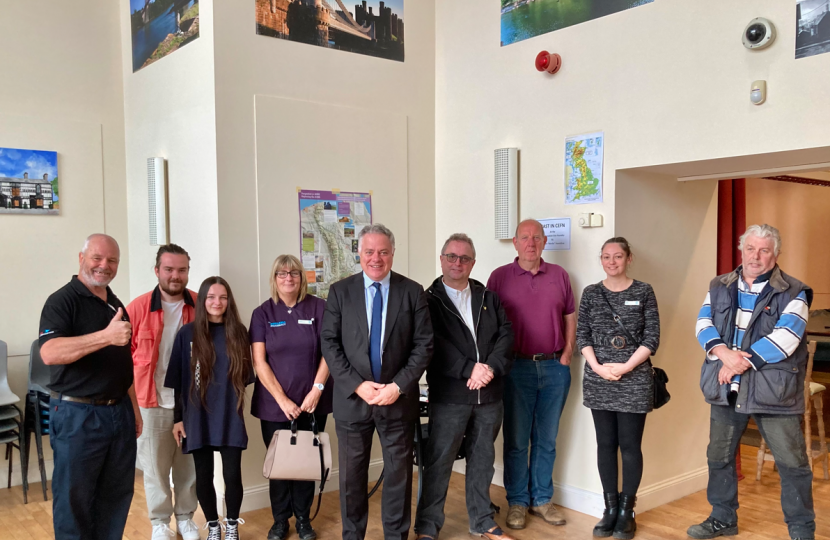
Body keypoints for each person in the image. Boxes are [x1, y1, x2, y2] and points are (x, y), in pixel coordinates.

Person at [688, 224, 814, 540]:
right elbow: (703, 323)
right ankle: (722, 519)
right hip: (725, 389)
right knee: (718, 457)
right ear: (741, 249)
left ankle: (801, 530)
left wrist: (736, 363)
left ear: (776, 254)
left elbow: (786, 337)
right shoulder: (719, 285)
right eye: (750, 249)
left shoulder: (794, 290)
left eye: (764, 250)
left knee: (792, 464)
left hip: (773, 392)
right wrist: (723, 354)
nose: (755, 256)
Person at [321, 223, 433, 540]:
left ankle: (396, 536)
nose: (376, 258)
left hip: (397, 400)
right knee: (352, 479)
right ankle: (352, 535)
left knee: (398, 476)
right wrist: (358, 384)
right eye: (369, 251)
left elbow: (424, 345)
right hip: (353, 400)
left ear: (393, 253)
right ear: (359, 253)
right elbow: (329, 344)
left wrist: (398, 386)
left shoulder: (412, 291)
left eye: (383, 251)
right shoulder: (340, 292)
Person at [38, 233, 142, 540]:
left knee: (116, 496)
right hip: (77, 415)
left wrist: (133, 409)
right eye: (97, 258)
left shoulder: (115, 303)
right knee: (75, 501)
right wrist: (105, 337)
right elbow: (50, 352)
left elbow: (124, 363)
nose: (104, 266)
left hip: (118, 414)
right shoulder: (62, 301)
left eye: (112, 260)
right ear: (81, 258)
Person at [414, 234, 515, 540]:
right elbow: (432, 344)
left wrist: (490, 369)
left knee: (483, 461)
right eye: (452, 257)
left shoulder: (488, 297)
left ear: (473, 262)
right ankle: (428, 527)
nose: (458, 263)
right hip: (450, 397)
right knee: (439, 461)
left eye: (465, 258)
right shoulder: (427, 300)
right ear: (442, 259)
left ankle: (482, 521)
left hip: (489, 395)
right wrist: (468, 368)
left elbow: (506, 336)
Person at [486, 219, 576, 530]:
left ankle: (542, 500)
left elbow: (569, 316)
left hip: (554, 367)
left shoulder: (560, 276)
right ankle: (518, 503)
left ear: (544, 241)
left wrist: (566, 354)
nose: (531, 243)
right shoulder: (499, 278)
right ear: (514, 242)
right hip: (515, 369)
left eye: (536, 237)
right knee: (516, 441)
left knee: (547, 439)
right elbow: (489, 325)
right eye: (524, 237)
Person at [576, 238, 660, 539]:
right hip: (599, 378)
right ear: (601, 260)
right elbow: (581, 336)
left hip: (634, 379)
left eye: (618, 256)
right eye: (606, 257)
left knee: (629, 446)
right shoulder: (590, 293)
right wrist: (598, 368)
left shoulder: (644, 291)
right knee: (605, 445)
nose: (612, 262)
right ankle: (609, 508)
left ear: (629, 258)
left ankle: (627, 510)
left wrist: (625, 368)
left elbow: (652, 338)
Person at [165, 277, 255, 540]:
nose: (218, 302)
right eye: (212, 297)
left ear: (229, 301)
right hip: (197, 416)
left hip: (229, 413)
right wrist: (177, 419)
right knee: (203, 475)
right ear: (203, 300)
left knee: (232, 475)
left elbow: (245, 377)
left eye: (223, 297)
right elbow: (178, 382)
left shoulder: (238, 332)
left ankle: (231, 526)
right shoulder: (187, 334)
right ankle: (213, 526)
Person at [250, 254, 333, 540]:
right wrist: (282, 400)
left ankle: (303, 520)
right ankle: (279, 521)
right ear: (274, 278)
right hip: (274, 406)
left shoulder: (320, 308)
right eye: (282, 273)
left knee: (305, 463)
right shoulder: (262, 314)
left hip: (312, 402)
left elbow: (329, 353)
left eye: (294, 273)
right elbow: (259, 363)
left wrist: (316, 390)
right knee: (280, 465)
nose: (288, 278)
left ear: (303, 277)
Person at [126, 244, 200, 540]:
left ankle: (185, 517)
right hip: (151, 400)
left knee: (188, 464)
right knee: (155, 467)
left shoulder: (200, 304)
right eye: (169, 269)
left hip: (191, 402)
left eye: (182, 270)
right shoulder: (138, 308)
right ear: (157, 271)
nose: (175, 276)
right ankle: (159, 522)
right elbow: (123, 360)